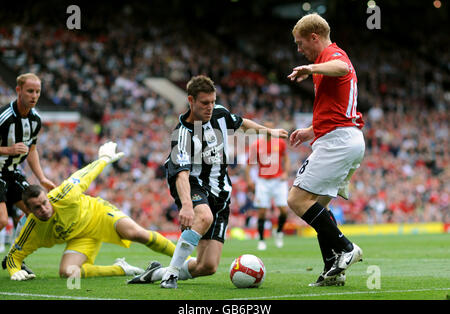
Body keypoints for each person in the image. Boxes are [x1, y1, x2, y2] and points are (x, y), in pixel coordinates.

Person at [128, 75, 288, 288]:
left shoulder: (219, 114)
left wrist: (269, 132)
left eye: (213, 101)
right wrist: (186, 205)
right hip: (193, 185)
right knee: (203, 216)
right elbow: (181, 174)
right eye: (205, 103)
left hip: (221, 191)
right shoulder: (182, 134)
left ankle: (156, 273)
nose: (210, 107)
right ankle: (171, 276)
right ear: (191, 100)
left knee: (207, 266)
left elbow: (240, 123)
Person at [4, 141, 177, 281]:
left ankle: (182, 260)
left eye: (44, 202)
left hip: (98, 215)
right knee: (68, 272)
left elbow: (87, 173)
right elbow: (13, 257)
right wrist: (14, 271)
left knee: (137, 234)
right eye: (37, 207)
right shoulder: (32, 229)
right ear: (29, 210)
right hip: (80, 238)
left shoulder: (64, 195)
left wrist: (104, 159)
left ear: (47, 197)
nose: (44, 208)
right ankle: (121, 269)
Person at [286, 13, 365, 287]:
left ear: (314, 37)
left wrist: (311, 68)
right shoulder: (325, 61)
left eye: (300, 43)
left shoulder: (333, 55)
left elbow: (343, 68)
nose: (299, 49)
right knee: (319, 206)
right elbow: (336, 108)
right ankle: (333, 268)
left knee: (297, 200)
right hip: (345, 137)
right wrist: (311, 129)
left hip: (338, 142)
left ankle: (346, 248)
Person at [0, 73, 56, 274]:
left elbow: (32, 150)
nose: (34, 95)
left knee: (36, 213)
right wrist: (8, 150)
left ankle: (14, 258)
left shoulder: (35, 120)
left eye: (38, 92)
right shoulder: (4, 116)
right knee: (1, 220)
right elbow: (15, 149)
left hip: (12, 173)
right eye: (30, 91)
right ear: (18, 91)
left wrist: (41, 178)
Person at [245, 121, 290, 250]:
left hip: (278, 181)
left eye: (271, 128)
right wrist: (249, 180)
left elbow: (286, 159)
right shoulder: (256, 145)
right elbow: (249, 165)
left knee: (283, 210)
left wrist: (286, 173)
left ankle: (279, 232)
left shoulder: (280, 143)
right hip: (263, 182)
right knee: (262, 212)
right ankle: (261, 239)